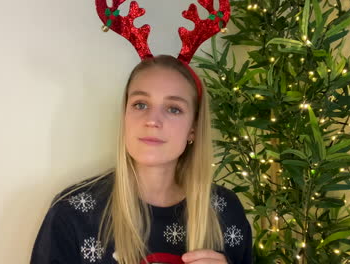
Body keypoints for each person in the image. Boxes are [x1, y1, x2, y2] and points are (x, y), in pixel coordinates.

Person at [30, 55, 253, 264]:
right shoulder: (72, 212)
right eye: (140, 104)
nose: (152, 121)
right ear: (125, 114)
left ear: (193, 128)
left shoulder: (226, 211)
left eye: (174, 109)